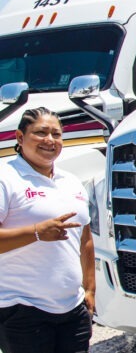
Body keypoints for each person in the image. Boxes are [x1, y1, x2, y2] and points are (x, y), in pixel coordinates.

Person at [0, 107, 95, 353]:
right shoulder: (6, 177)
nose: (50, 140)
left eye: (56, 134)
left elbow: (84, 238)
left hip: (72, 309)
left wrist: (90, 288)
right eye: (41, 133)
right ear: (20, 138)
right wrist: (36, 232)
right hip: (22, 309)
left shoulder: (71, 181)